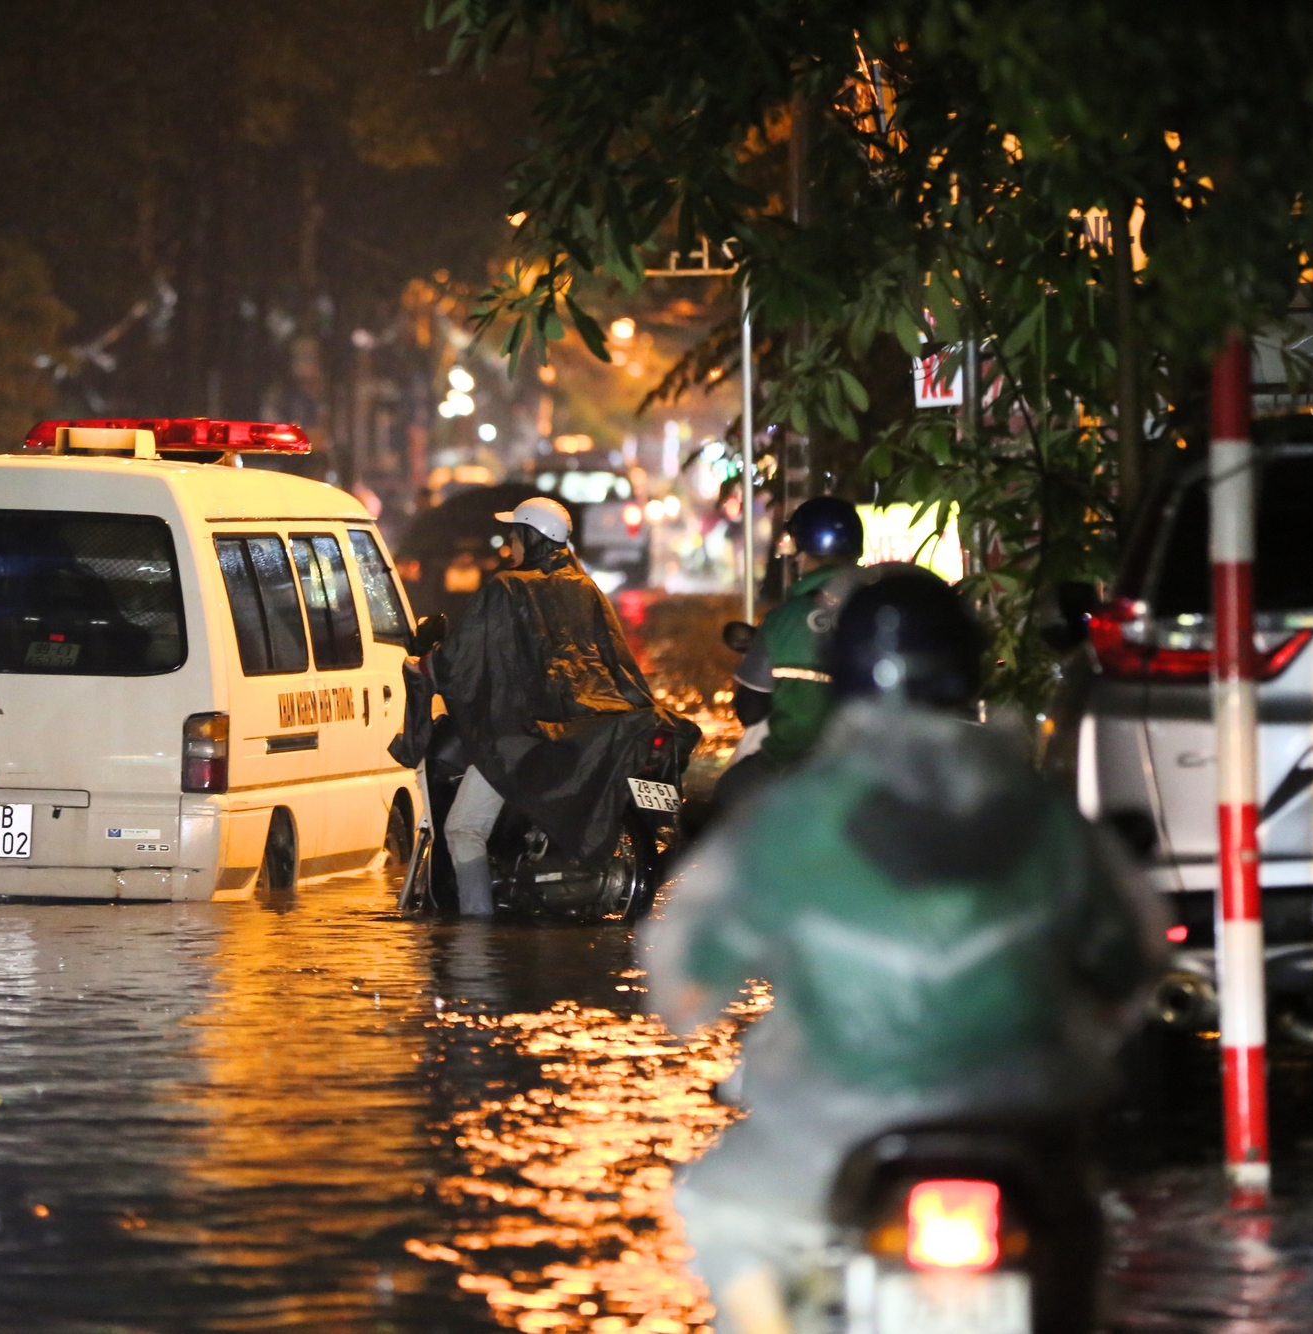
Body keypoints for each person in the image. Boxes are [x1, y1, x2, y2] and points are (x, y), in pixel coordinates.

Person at [643, 567, 1163, 1334]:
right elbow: (1129, 966)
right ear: (967, 667)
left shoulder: (786, 817)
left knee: (719, 1205)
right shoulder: (1042, 814)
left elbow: (684, 980)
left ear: (843, 671)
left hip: (836, 1133)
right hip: (1020, 1121)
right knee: (1086, 1230)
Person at [428, 496, 681, 916]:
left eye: (514, 535)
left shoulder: (506, 589)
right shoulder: (587, 589)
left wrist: (425, 665)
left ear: (529, 536)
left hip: (521, 735)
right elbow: (614, 660)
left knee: (462, 828)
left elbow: (462, 656)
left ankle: (475, 933)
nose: (510, 544)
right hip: (588, 726)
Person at [713, 496, 863, 815]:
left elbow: (750, 710)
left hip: (794, 763)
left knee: (720, 801)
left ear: (804, 553)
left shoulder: (783, 621)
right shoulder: (886, 607)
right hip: (876, 768)